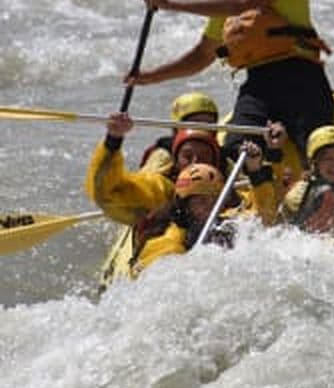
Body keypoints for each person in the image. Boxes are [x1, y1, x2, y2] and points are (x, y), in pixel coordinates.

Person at [137, 0, 334, 163]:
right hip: (258, 84)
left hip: (302, 78)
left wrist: (170, 4)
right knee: (234, 147)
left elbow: (244, 4)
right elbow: (203, 54)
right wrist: (149, 77)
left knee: (319, 150)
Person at [130, 140, 277, 275]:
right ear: (185, 205)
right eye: (200, 201)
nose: (209, 207)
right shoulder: (169, 240)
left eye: (214, 200)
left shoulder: (226, 223)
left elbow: (263, 218)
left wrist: (255, 170)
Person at [85, 112, 223, 226]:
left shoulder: (227, 187)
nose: (195, 163)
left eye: (204, 156)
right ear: (175, 162)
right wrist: (113, 140)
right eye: (187, 156)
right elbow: (107, 193)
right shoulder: (161, 191)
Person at [138, 91, 219, 175]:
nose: (202, 130)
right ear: (176, 128)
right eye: (195, 124)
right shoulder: (163, 155)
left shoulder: (222, 156)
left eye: (209, 126)